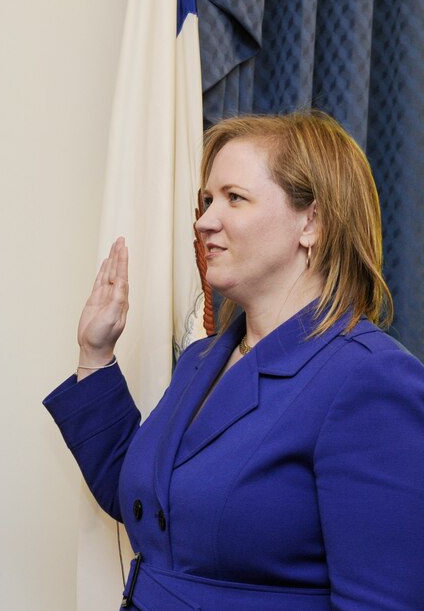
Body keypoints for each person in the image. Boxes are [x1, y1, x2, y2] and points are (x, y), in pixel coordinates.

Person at [44, 111, 424, 609]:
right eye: (206, 201)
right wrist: (96, 355)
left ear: (311, 223)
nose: (203, 221)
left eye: (233, 198)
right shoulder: (203, 358)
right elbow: (153, 508)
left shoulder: (370, 378)